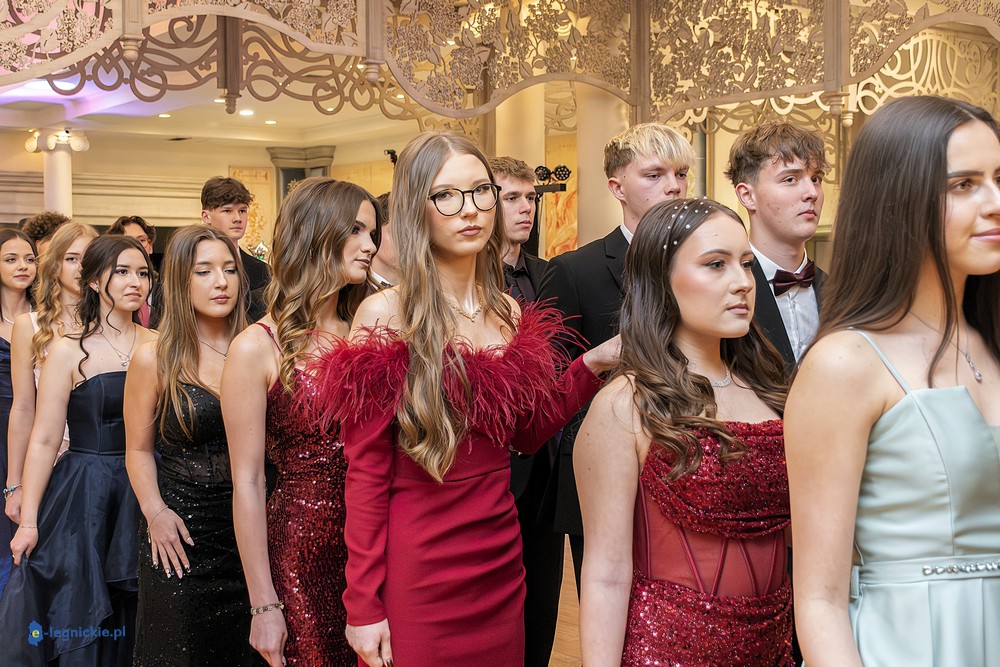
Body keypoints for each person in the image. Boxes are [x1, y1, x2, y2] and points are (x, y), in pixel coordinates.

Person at [306, 132, 618, 667]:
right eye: (446, 195)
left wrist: (592, 364)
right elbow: (365, 474)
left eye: (480, 191)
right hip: (420, 566)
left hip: (499, 555)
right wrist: (362, 605)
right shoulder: (386, 315)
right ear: (416, 209)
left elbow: (524, 434)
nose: (469, 209)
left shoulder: (508, 312)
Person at [787, 95, 1000, 666]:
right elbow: (819, 601)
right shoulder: (845, 364)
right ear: (899, 198)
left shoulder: (990, 341)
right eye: (964, 184)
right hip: (908, 644)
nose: (995, 203)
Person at [575, 198, 792, 666]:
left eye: (746, 264)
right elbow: (606, 573)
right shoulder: (625, 405)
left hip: (774, 645)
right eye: (716, 264)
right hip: (667, 650)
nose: (742, 282)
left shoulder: (772, 392)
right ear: (661, 280)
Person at [223, 177, 382, 667]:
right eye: (355, 230)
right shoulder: (256, 347)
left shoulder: (369, 331)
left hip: (376, 543)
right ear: (316, 232)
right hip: (302, 551)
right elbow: (248, 482)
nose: (370, 245)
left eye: (372, 232)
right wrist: (263, 604)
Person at [538, 122, 695, 590]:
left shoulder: (709, 261)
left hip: (694, 466)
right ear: (617, 187)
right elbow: (552, 387)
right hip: (607, 469)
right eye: (654, 175)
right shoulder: (574, 270)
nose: (673, 186)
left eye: (681, 173)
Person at [0, 235, 156, 665]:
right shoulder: (68, 351)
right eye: (121, 272)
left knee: (144, 608)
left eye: (142, 273)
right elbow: (45, 438)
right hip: (86, 493)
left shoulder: (161, 343)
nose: (135, 282)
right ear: (94, 281)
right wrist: (28, 520)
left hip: (148, 487)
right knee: (84, 607)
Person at [124, 225, 257, 665]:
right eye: (204, 271)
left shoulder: (260, 347)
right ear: (181, 281)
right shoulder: (155, 357)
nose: (221, 282)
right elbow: (137, 450)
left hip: (255, 532)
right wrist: (155, 512)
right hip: (181, 535)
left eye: (229, 270)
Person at [488, 155, 562, 667]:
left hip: (547, 467)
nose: (525, 208)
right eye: (511, 197)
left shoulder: (551, 274)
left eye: (530, 198)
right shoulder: (461, 282)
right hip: (489, 469)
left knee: (542, 610)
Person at [5, 223, 98, 530]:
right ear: (55, 265)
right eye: (72, 259)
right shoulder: (29, 326)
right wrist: (15, 483)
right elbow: (23, 408)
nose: (81, 268)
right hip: (50, 462)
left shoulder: (114, 326)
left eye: (89, 258)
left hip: (104, 459)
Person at [725, 120, 828, 371]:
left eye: (816, 178)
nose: (812, 192)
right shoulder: (725, 291)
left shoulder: (839, 293)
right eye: (790, 179)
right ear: (747, 196)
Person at [0, 229, 36, 596]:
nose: (22, 266)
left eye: (29, 259)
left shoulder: (45, 317)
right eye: (11, 259)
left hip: (34, 425)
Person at [107, 216, 157, 325]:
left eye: (142, 240)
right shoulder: (109, 289)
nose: (136, 246)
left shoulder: (167, 290)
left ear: (150, 247)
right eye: (128, 241)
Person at [368, 191, 398, 291]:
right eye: (397, 232)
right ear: (375, 233)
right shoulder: (351, 291)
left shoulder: (424, 291)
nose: (408, 241)